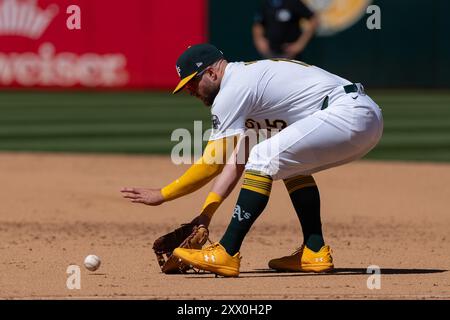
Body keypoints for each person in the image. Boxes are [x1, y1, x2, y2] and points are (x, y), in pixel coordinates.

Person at [121, 43, 383, 277]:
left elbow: (214, 162)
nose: (190, 91)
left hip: (348, 114)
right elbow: (237, 160)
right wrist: (205, 215)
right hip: (357, 117)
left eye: (192, 83)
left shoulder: (233, 89)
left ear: (211, 73)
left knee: (264, 156)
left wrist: (163, 194)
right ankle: (314, 251)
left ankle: (227, 252)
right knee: (283, 162)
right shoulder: (251, 93)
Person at [253, 0, 319, 59]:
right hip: (270, 52)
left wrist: (300, 44)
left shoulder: (293, 2)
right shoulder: (267, 3)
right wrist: (260, 41)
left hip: (289, 53)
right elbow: (258, 24)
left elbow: (314, 20)